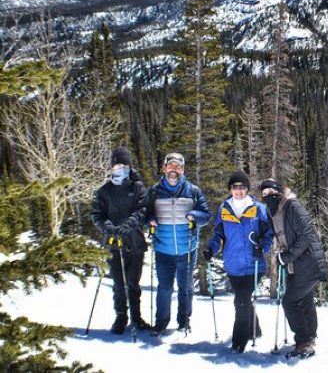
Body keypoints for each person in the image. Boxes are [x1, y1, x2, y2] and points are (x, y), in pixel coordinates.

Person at [259, 178, 328, 357]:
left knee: (289, 301)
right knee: (304, 300)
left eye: (271, 192)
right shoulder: (273, 212)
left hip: (309, 261)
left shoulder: (292, 206)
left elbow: (307, 235)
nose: (268, 196)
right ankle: (310, 338)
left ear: (279, 191)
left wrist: (287, 256)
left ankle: (304, 342)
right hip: (296, 264)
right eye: (264, 194)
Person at [205, 170, 273, 352]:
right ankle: (255, 329)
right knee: (245, 300)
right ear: (230, 189)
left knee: (241, 302)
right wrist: (211, 248)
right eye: (235, 188)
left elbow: (268, 233)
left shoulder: (258, 208)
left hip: (254, 265)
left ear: (248, 189)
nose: (239, 191)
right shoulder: (223, 209)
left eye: (243, 187)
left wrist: (263, 247)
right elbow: (218, 234)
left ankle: (239, 341)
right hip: (233, 266)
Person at [147, 152, 210, 336]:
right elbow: (144, 213)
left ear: (182, 170)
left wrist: (194, 216)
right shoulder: (154, 191)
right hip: (163, 249)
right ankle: (161, 323)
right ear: (164, 168)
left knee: (186, 288)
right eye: (171, 165)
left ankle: (183, 322)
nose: (174, 169)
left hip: (187, 249)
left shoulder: (193, 191)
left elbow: (206, 216)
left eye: (178, 166)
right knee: (164, 288)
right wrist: (150, 219)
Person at [92, 146, 150, 334]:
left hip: (134, 242)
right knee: (118, 283)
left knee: (133, 283)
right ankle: (120, 317)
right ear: (111, 168)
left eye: (124, 165)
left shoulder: (137, 187)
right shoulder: (104, 191)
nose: (120, 169)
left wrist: (130, 223)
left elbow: (143, 210)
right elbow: (97, 215)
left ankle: (136, 317)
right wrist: (107, 227)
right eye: (117, 166)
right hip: (113, 243)